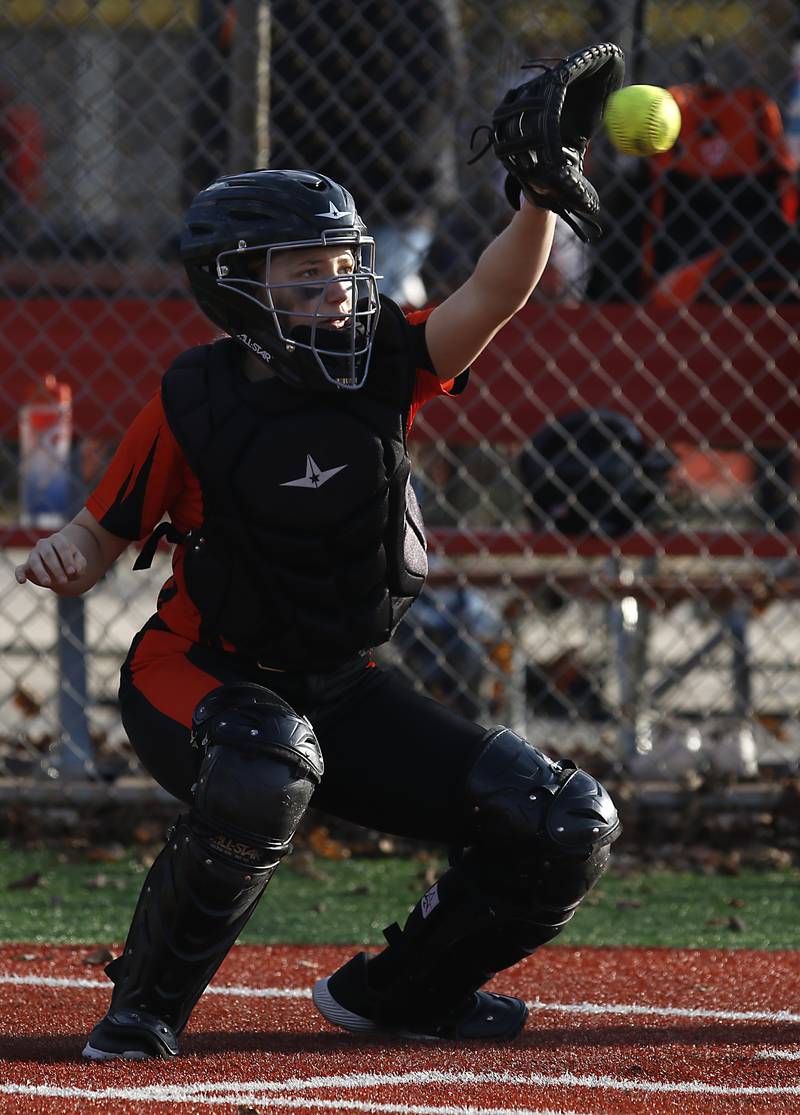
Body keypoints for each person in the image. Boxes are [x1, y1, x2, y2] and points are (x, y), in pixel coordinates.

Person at [15, 167, 620, 1060]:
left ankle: (402, 992)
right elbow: (101, 533)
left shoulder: (385, 360)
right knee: (262, 763)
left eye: (343, 269)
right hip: (198, 674)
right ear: (235, 289)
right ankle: (143, 1007)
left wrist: (536, 200)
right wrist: (68, 558)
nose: (336, 292)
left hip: (343, 687)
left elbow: (493, 292)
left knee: (561, 820)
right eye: (304, 277)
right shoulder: (197, 399)